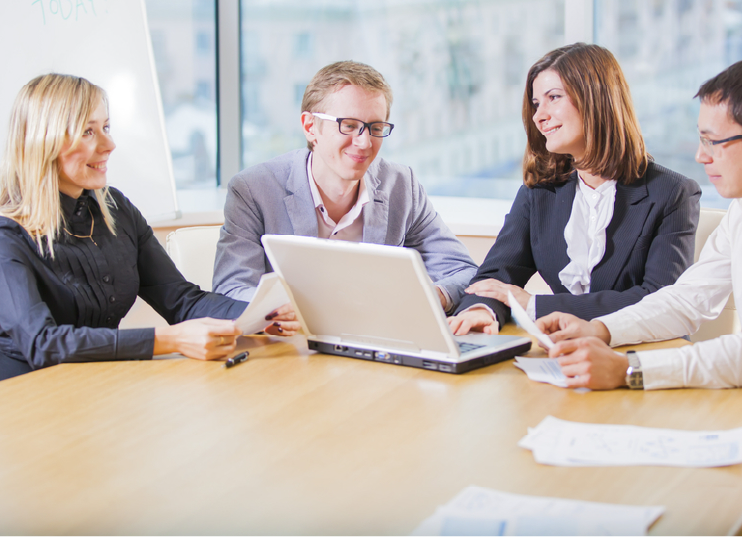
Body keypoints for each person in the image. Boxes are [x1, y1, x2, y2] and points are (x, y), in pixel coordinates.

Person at [537, 57, 742, 514]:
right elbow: (688, 300)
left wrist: (628, 371)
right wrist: (600, 329)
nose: (701, 157)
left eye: (713, 142)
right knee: (656, 476)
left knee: (702, 507)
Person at [0, 74, 298, 381]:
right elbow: (42, 343)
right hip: (24, 397)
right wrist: (168, 340)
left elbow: (182, 301)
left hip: (96, 388)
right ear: (43, 142)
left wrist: (256, 316)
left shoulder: (115, 209)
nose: (109, 145)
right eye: (88, 132)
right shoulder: (6, 235)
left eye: (106, 127)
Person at [448, 43, 701, 336]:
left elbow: (660, 302)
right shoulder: (540, 192)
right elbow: (495, 276)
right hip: (560, 349)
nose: (538, 116)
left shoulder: (672, 193)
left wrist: (534, 305)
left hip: (639, 353)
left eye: (553, 98)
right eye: (535, 104)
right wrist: (483, 310)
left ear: (596, 99)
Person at [213, 60, 477, 317]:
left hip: (374, 343)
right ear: (309, 126)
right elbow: (231, 288)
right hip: (290, 348)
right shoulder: (253, 190)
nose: (364, 142)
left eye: (375, 128)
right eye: (349, 125)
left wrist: (434, 296)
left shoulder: (401, 185)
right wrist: (286, 310)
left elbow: (463, 271)